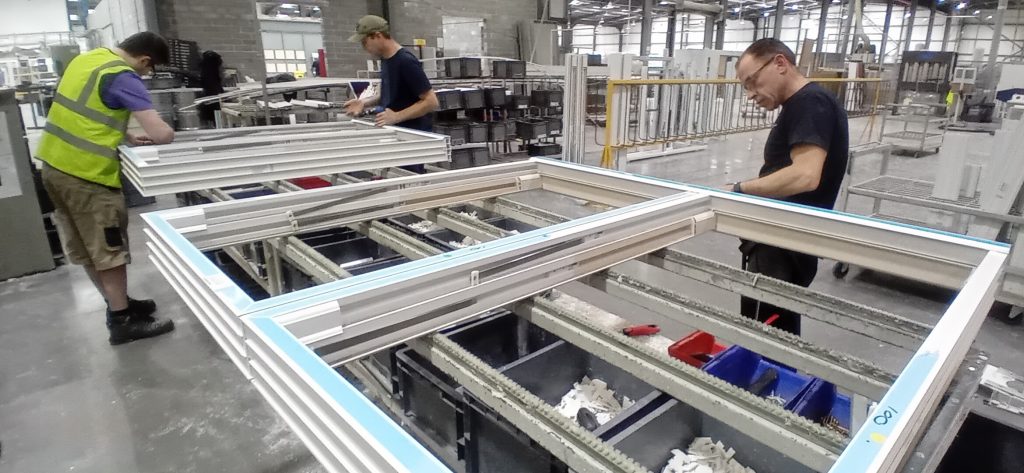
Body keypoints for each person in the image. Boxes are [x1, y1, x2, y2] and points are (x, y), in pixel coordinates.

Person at [36, 32, 177, 345]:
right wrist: (168, 132)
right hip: (87, 176)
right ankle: (122, 322)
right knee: (108, 248)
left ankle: (119, 304)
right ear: (145, 60)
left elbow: (86, 108)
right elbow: (161, 133)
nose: (145, 75)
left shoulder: (88, 60)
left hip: (54, 167)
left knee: (88, 248)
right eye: (148, 70)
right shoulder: (124, 77)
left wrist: (124, 134)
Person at [729, 38, 849, 335]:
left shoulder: (810, 103)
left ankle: (763, 380)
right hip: (785, 242)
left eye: (752, 81)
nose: (750, 94)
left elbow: (805, 175)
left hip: (781, 246)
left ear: (780, 63)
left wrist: (740, 190)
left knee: (765, 333)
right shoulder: (803, 104)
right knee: (776, 329)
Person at [343, 15, 439, 172]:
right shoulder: (387, 60)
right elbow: (391, 94)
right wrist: (364, 102)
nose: (363, 47)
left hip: (412, 138)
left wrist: (397, 116)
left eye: (364, 41)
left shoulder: (405, 61)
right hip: (396, 134)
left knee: (409, 184)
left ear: (378, 36)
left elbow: (431, 101)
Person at [197, 50, 225, 127]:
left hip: (210, 91)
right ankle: (217, 124)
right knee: (216, 108)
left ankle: (214, 125)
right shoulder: (216, 65)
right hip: (216, 90)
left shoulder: (205, 67)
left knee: (212, 109)